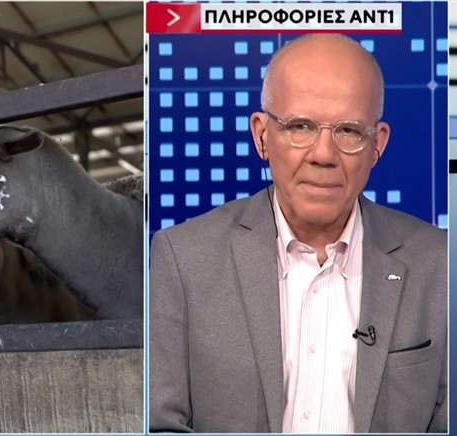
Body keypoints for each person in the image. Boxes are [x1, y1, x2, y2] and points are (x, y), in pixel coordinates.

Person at [149, 34, 447, 433]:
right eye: (300, 126)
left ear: (377, 145)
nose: (323, 154)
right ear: (261, 135)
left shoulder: (441, 264)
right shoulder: (182, 258)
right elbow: (160, 423)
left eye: (348, 132)